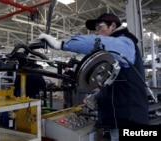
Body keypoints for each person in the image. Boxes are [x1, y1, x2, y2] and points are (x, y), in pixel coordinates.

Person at [38, 13, 149, 141]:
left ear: (113, 26)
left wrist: (62, 44)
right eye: (95, 29)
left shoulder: (125, 42)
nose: (97, 32)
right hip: (119, 121)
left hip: (129, 123)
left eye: (99, 27)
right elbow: (115, 81)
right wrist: (98, 95)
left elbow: (102, 43)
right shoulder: (112, 57)